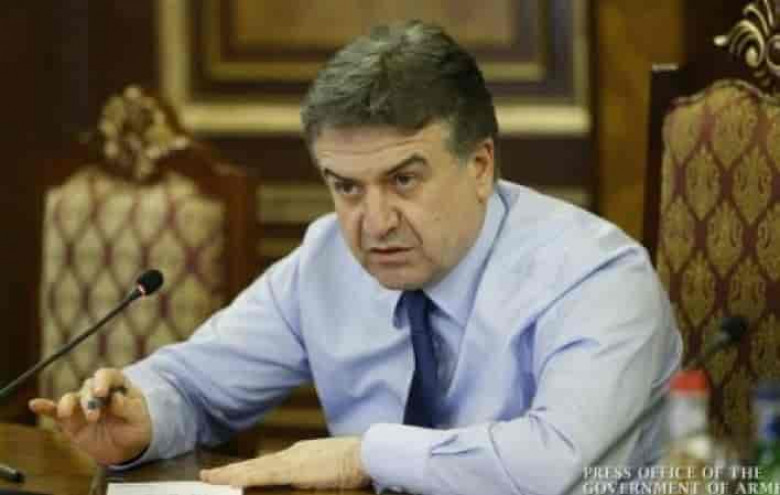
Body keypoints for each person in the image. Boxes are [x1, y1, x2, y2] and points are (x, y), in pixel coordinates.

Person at [30, 20, 682, 495]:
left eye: (404, 179)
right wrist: (142, 418)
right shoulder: (328, 260)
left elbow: (556, 464)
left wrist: (363, 456)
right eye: (346, 187)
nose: (374, 222)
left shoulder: (597, 276)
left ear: (480, 165)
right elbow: (196, 383)